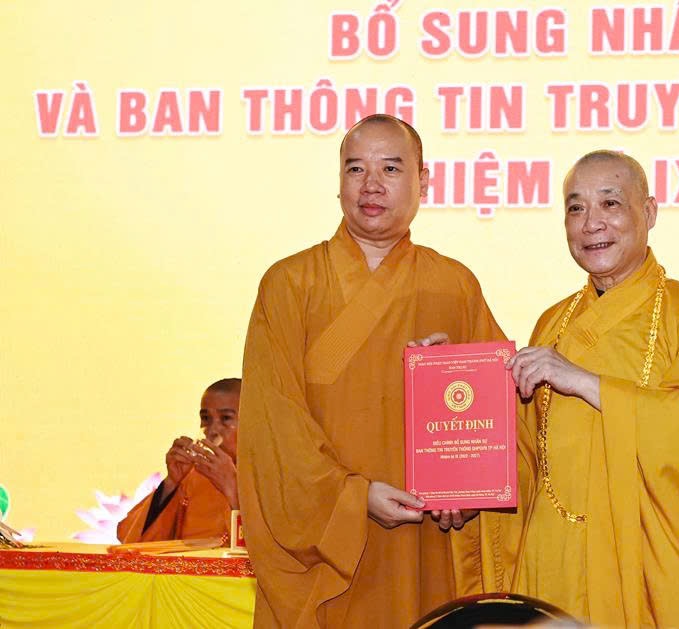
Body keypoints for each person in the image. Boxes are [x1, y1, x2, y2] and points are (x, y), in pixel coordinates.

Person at [238, 114, 504, 628]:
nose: (372, 185)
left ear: (424, 181)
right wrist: (352, 497)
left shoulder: (454, 286)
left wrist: (468, 490)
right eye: (356, 168)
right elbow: (273, 429)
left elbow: (497, 421)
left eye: (391, 168)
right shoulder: (290, 284)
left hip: (424, 540)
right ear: (338, 180)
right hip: (326, 545)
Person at [477, 151, 679, 627]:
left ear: (650, 212)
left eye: (610, 203)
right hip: (554, 560)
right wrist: (450, 389)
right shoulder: (552, 323)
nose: (591, 223)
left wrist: (587, 383)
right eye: (575, 208)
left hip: (643, 564)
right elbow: (523, 453)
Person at [117, 378, 241, 543]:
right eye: (206, 418)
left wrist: (232, 490)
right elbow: (132, 539)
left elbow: (268, 547)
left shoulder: (270, 475)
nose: (212, 430)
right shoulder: (194, 476)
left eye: (226, 418)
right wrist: (171, 483)